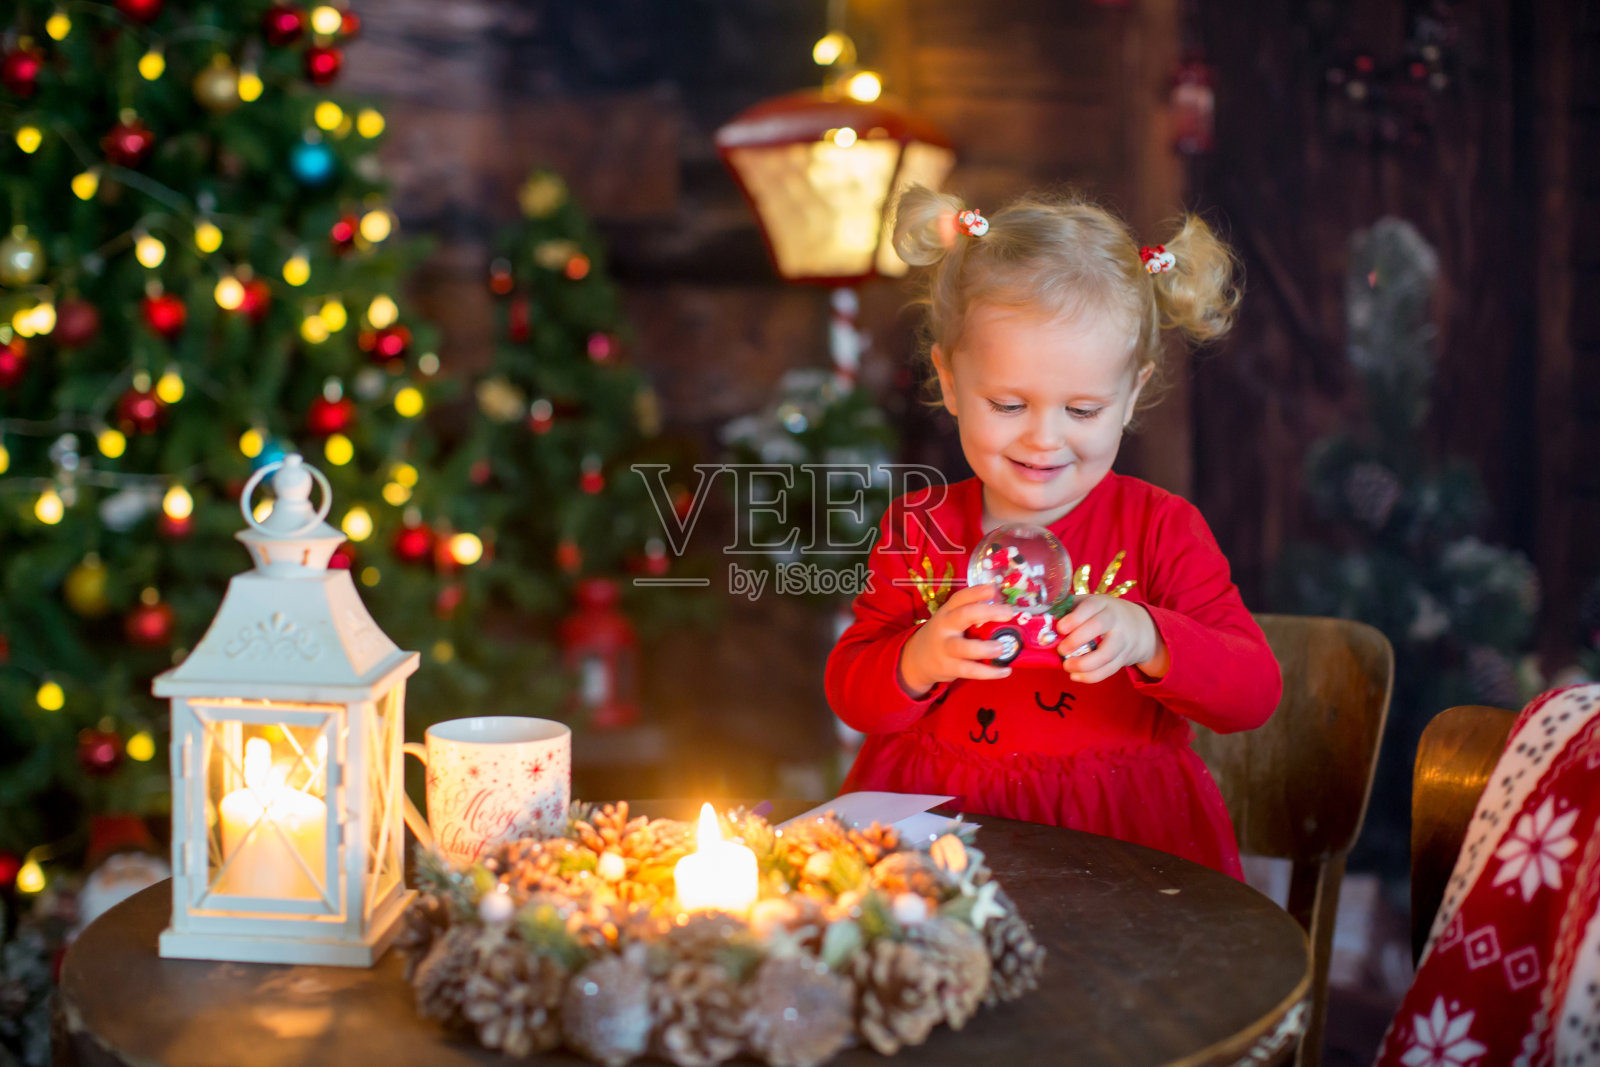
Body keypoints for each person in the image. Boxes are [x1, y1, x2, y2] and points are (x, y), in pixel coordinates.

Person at [826, 187, 1282, 878]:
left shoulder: (1161, 529)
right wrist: (917, 656)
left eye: (1083, 408)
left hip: (1122, 836)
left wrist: (1150, 637)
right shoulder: (919, 527)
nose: (1044, 438)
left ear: (1131, 395)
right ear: (949, 381)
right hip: (940, 830)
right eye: (1008, 404)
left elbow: (1252, 693)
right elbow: (852, 692)